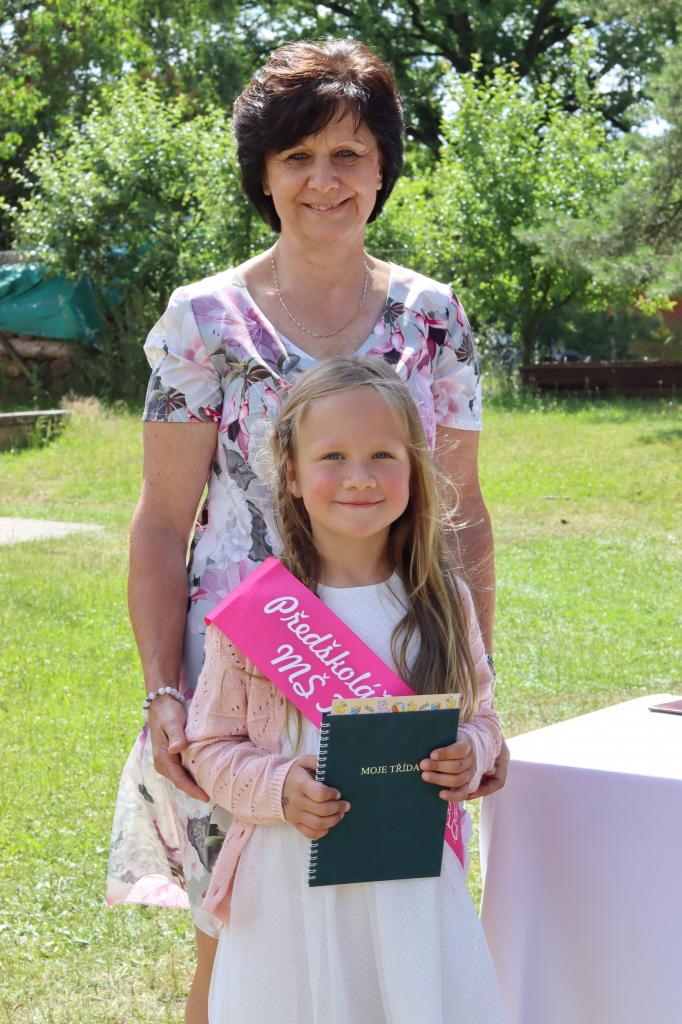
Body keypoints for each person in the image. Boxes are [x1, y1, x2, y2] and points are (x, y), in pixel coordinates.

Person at [107, 37, 508, 1024]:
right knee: (237, 945)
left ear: (382, 168)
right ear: (263, 175)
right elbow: (161, 525)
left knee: (394, 940)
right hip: (242, 686)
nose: (324, 180)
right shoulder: (201, 322)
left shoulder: (433, 316)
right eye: (297, 156)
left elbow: (462, 512)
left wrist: (469, 693)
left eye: (349, 154)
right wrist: (164, 692)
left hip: (395, 666)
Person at [183, 357, 506, 1024]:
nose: (360, 477)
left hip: (413, 892)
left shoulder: (443, 601)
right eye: (333, 456)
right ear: (291, 473)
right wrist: (279, 786)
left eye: (383, 455)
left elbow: (483, 717)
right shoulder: (256, 613)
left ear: (414, 469)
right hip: (288, 889)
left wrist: (470, 753)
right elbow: (210, 747)